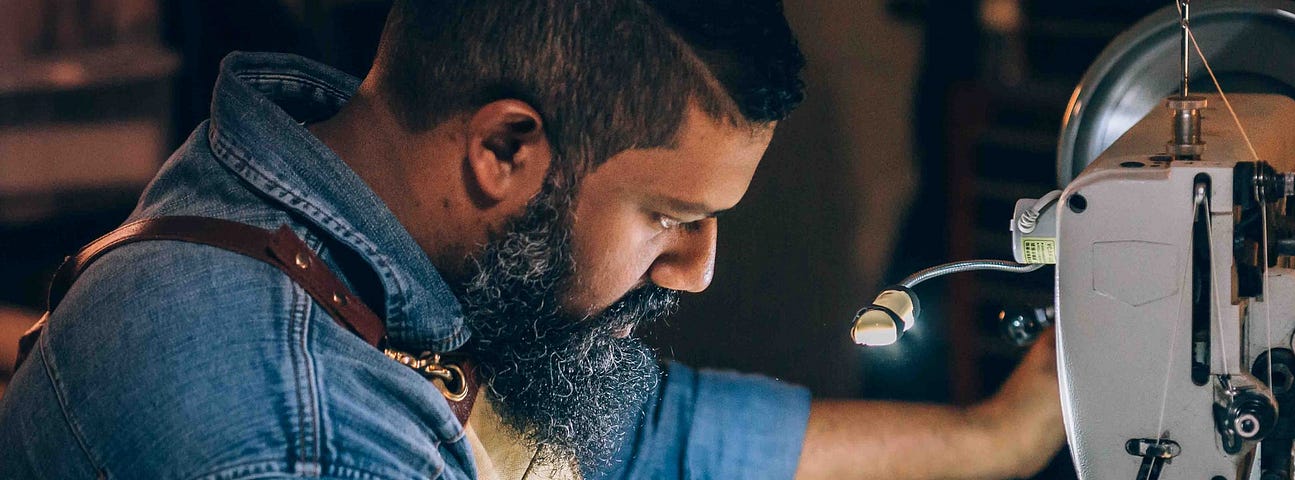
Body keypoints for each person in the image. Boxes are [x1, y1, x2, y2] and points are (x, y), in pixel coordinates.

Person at [0, 1, 1063, 478]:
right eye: (670, 218)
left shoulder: (342, 232)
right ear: (505, 147)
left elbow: (656, 438)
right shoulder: (303, 434)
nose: (694, 270)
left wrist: (998, 440)